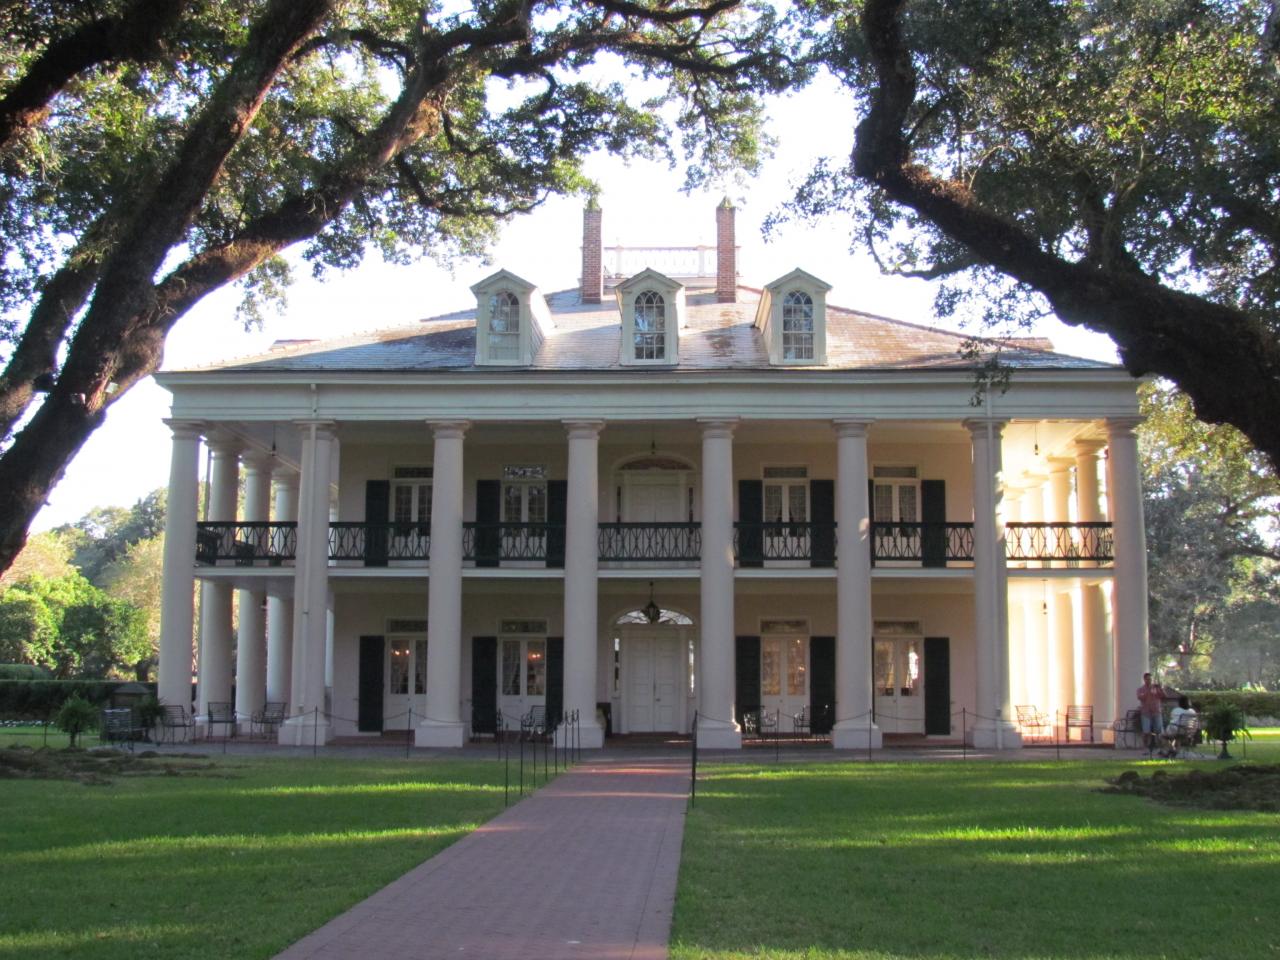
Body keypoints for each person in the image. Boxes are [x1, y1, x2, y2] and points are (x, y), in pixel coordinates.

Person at [1136, 672, 1164, 750]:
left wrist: (1160, 688)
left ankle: (1159, 748)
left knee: (1159, 731)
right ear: (1144, 680)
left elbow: (1163, 696)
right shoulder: (1140, 689)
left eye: (1150, 679)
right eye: (1148, 679)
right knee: (1146, 732)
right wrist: (1148, 691)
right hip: (1146, 713)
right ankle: (1145, 747)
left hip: (1156, 712)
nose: (1149, 681)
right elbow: (1140, 697)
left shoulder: (1156, 688)